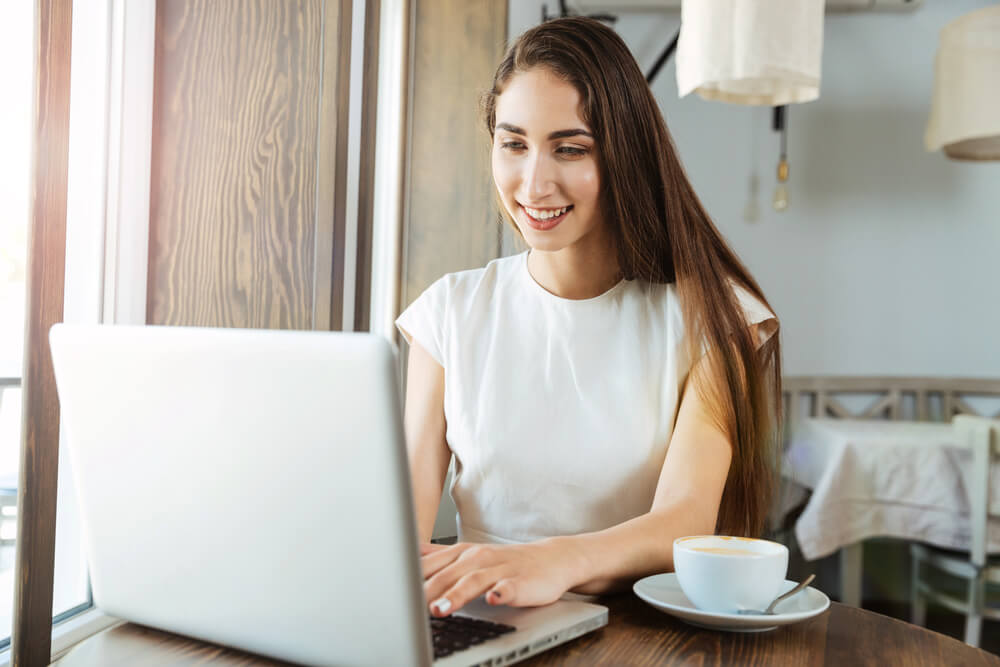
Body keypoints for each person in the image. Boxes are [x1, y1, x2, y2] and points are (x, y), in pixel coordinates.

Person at [395, 16, 782, 619]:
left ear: (624, 154)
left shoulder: (713, 318)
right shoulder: (449, 313)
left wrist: (551, 561)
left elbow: (684, 521)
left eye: (571, 148)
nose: (534, 182)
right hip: (479, 621)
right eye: (513, 143)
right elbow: (402, 534)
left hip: (641, 632)